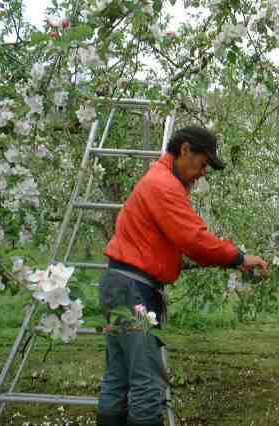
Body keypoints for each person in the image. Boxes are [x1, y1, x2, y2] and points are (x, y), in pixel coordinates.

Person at [96, 125, 268, 426]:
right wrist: (238, 257)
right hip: (136, 296)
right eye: (202, 164)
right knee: (147, 381)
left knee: (118, 375)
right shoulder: (164, 186)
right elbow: (193, 239)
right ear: (185, 150)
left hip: (118, 285)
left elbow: (173, 241)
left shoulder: (156, 180)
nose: (202, 173)